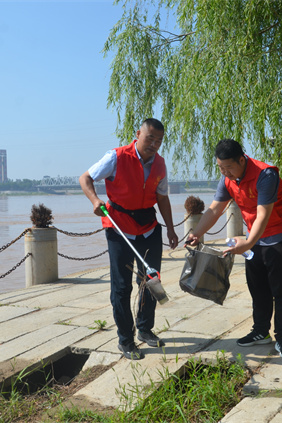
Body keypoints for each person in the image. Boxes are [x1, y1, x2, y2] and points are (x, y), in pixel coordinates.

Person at [186, 139, 282, 359]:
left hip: (280, 237)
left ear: (241, 159)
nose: (225, 172)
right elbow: (215, 209)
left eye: (228, 167)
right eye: (221, 168)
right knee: (257, 288)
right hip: (253, 240)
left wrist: (246, 244)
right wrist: (196, 233)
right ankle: (260, 331)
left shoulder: (265, 175)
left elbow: (263, 214)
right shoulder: (228, 179)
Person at [79, 118, 178, 360]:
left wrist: (171, 229)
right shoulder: (116, 157)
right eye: (150, 138)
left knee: (151, 280)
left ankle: (145, 329)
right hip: (119, 227)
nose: (154, 144)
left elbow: (162, 197)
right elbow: (86, 178)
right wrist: (95, 200)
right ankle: (126, 340)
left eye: (159, 140)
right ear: (138, 134)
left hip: (149, 227)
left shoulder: (161, 165)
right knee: (121, 287)